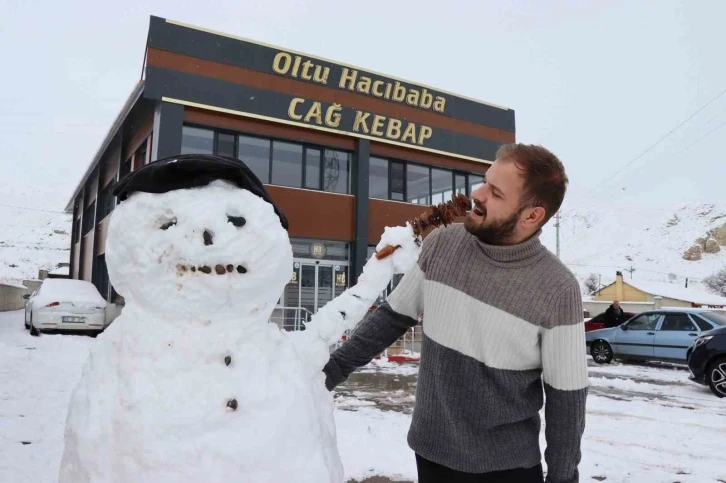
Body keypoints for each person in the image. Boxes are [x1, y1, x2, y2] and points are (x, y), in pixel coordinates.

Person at [323, 143, 588, 483]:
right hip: (432, 451)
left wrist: (563, 478)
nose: (477, 194)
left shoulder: (556, 288)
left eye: (495, 192)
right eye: (484, 182)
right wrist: (329, 372)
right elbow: (393, 316)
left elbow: (566, 397)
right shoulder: (442, 244)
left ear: (532, 215)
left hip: (508, 468)